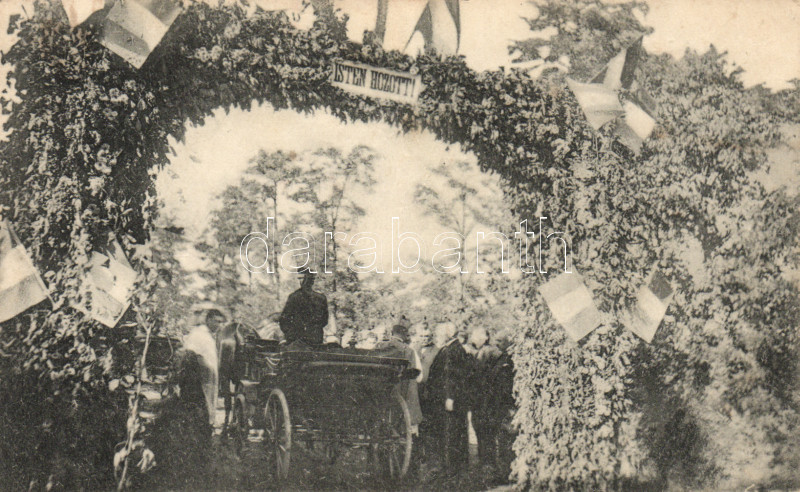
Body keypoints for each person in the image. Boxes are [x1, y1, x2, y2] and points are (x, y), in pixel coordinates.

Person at [424, 322, 471, 477]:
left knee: (452, 433)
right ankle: (454, 468)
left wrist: (450, 397)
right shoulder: (451, 348)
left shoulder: (453, 350)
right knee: (452, 432)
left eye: (439, 333)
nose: (437, 336)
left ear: (448, 334)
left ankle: (452, 469)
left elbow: (452, 377)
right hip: (447, 398)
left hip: (449, 399)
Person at [182, 307, 226, 428]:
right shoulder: (198, 333)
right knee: (201, 405)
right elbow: (191, 354)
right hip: (200, 377)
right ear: (209, 320)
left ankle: (208, 424)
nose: (219, 325)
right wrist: (206, 368)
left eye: (220, 322)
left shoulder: (208, 335)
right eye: (216, 321)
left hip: (208, 377)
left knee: (209, 401)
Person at [375, 324, 424, 433]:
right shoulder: (409, 351)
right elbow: (416, 377)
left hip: (380, 390)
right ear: (405, 336)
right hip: (401, 391)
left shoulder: (379, 346)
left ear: (391, 333)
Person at [467, 327, 503, 467]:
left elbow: (480, 376)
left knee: (485, 431)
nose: (472, 338)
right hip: (482, 399)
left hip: (486, 400)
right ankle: (486, 462)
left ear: (485, 338)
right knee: (483, 431)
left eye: (475, 335)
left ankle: (488, 463)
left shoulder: (488, 352)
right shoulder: (484, 351)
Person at [279, 267, 328, 345]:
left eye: (302, 278)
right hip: (297, 341)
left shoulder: (321, 298)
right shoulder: (294, 297)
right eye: (299, 278)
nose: (300, 281)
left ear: (310, 279)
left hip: (315, 341)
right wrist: (291, 336)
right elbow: (284, 320)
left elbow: (324, 320)